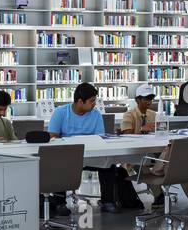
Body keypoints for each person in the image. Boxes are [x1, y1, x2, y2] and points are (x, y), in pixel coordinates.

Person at [47, 82, 142, 214]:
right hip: (70, 156)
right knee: (60, 164)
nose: (94, 104)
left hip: (92, 155)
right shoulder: (60, 113)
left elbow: (100, 137)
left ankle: (107, 201)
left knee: (109, 164)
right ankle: (59, 203)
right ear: (80, 101)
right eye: (91, 101)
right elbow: (53, 137)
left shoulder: (96, 115)